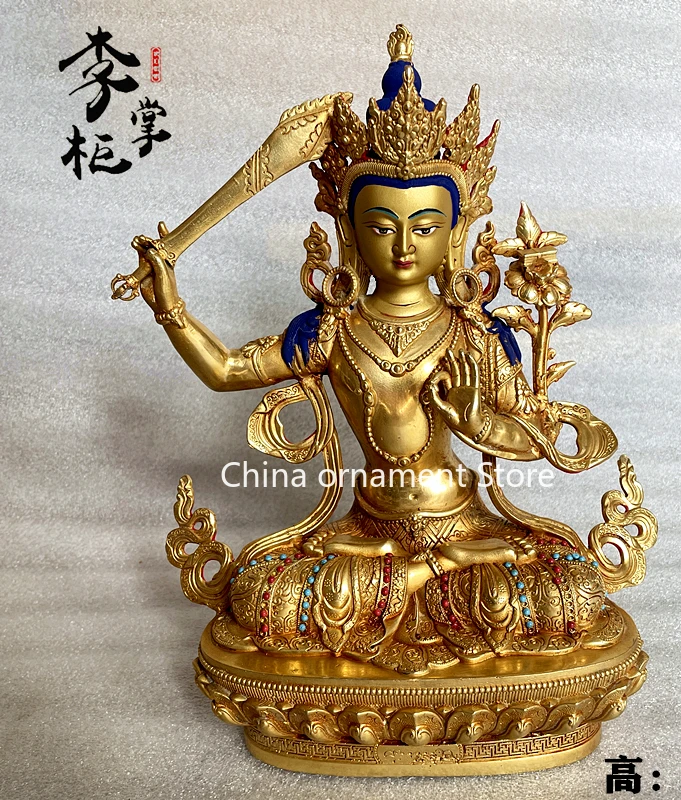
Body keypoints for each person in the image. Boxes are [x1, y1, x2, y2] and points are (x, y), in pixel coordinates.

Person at [133, 26, 621, 675]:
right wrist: (169, 306)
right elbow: (226, 371)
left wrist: (479, 422)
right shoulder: (331, 330)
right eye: (382, 226)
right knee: (264, 593)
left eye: (425, 226)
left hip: (466, 527)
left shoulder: (474, 332)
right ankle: (426, 578)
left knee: (569, 588)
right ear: (351, 232)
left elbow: (541, 438)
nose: (403, 245)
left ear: (454, 233)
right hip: (366, 534)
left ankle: (423, 577)